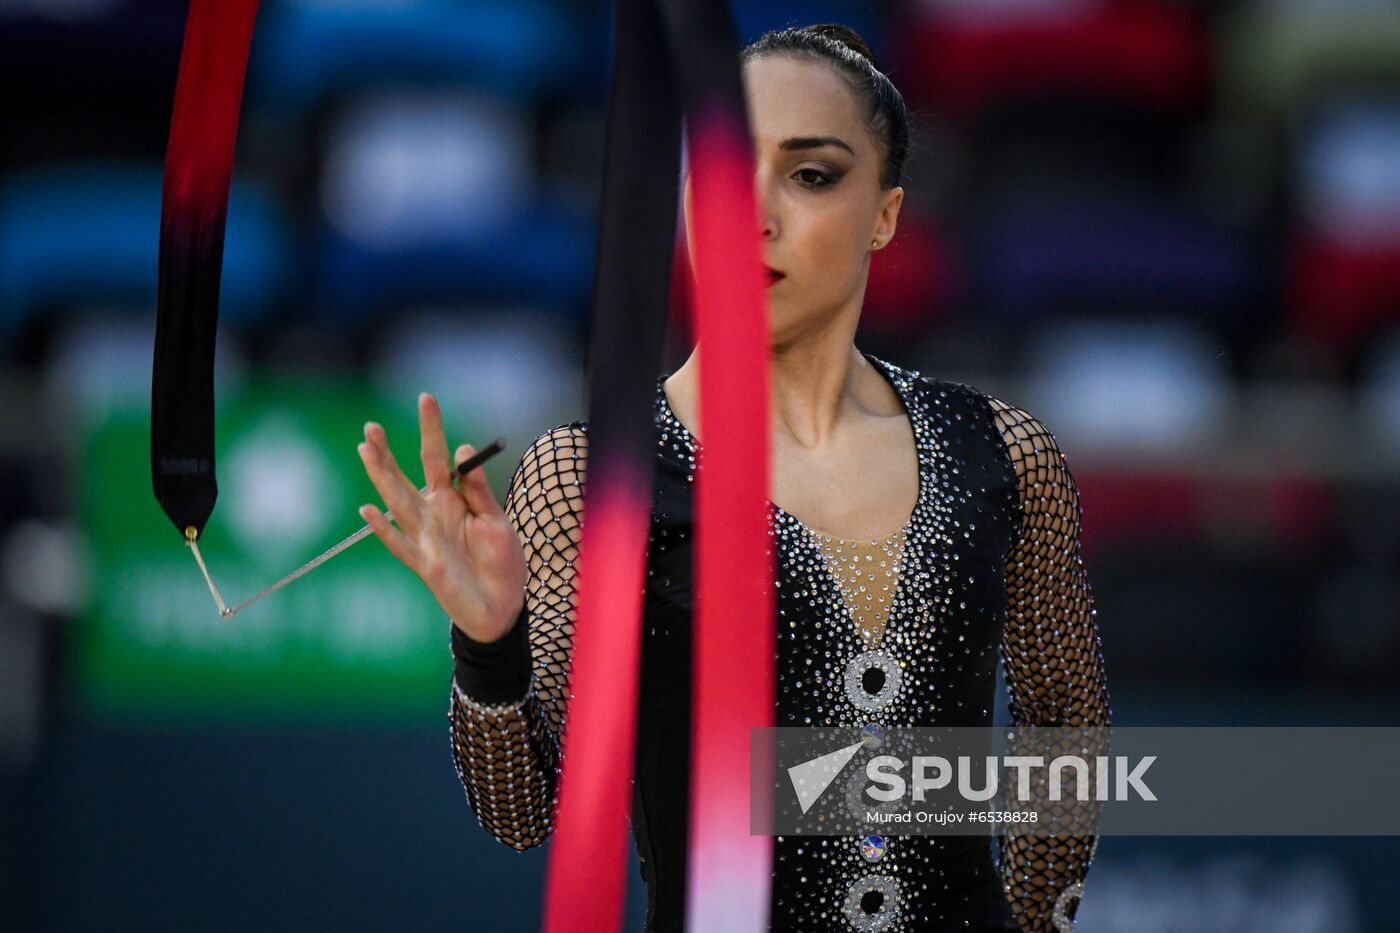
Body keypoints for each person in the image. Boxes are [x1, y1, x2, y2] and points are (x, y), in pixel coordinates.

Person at [355, 23, 1111, 933]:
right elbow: (523, 813)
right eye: (722, 171)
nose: (752, 213)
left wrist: (1040, 919)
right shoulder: (596, 472)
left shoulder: (1003, 450)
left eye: (812, 174)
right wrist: (488, 646)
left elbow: (1064, 714)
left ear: (886, 213)